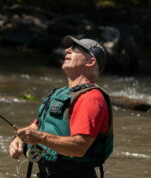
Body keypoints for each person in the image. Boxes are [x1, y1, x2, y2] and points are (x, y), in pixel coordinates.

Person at [9, 36, 113, 178]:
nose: (67, 50)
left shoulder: (90, 98)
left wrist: (39, 138)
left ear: (91, 62)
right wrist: (19, 139)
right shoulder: (62, 94)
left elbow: (79, 147)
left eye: (76, 49)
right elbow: (36, 127)